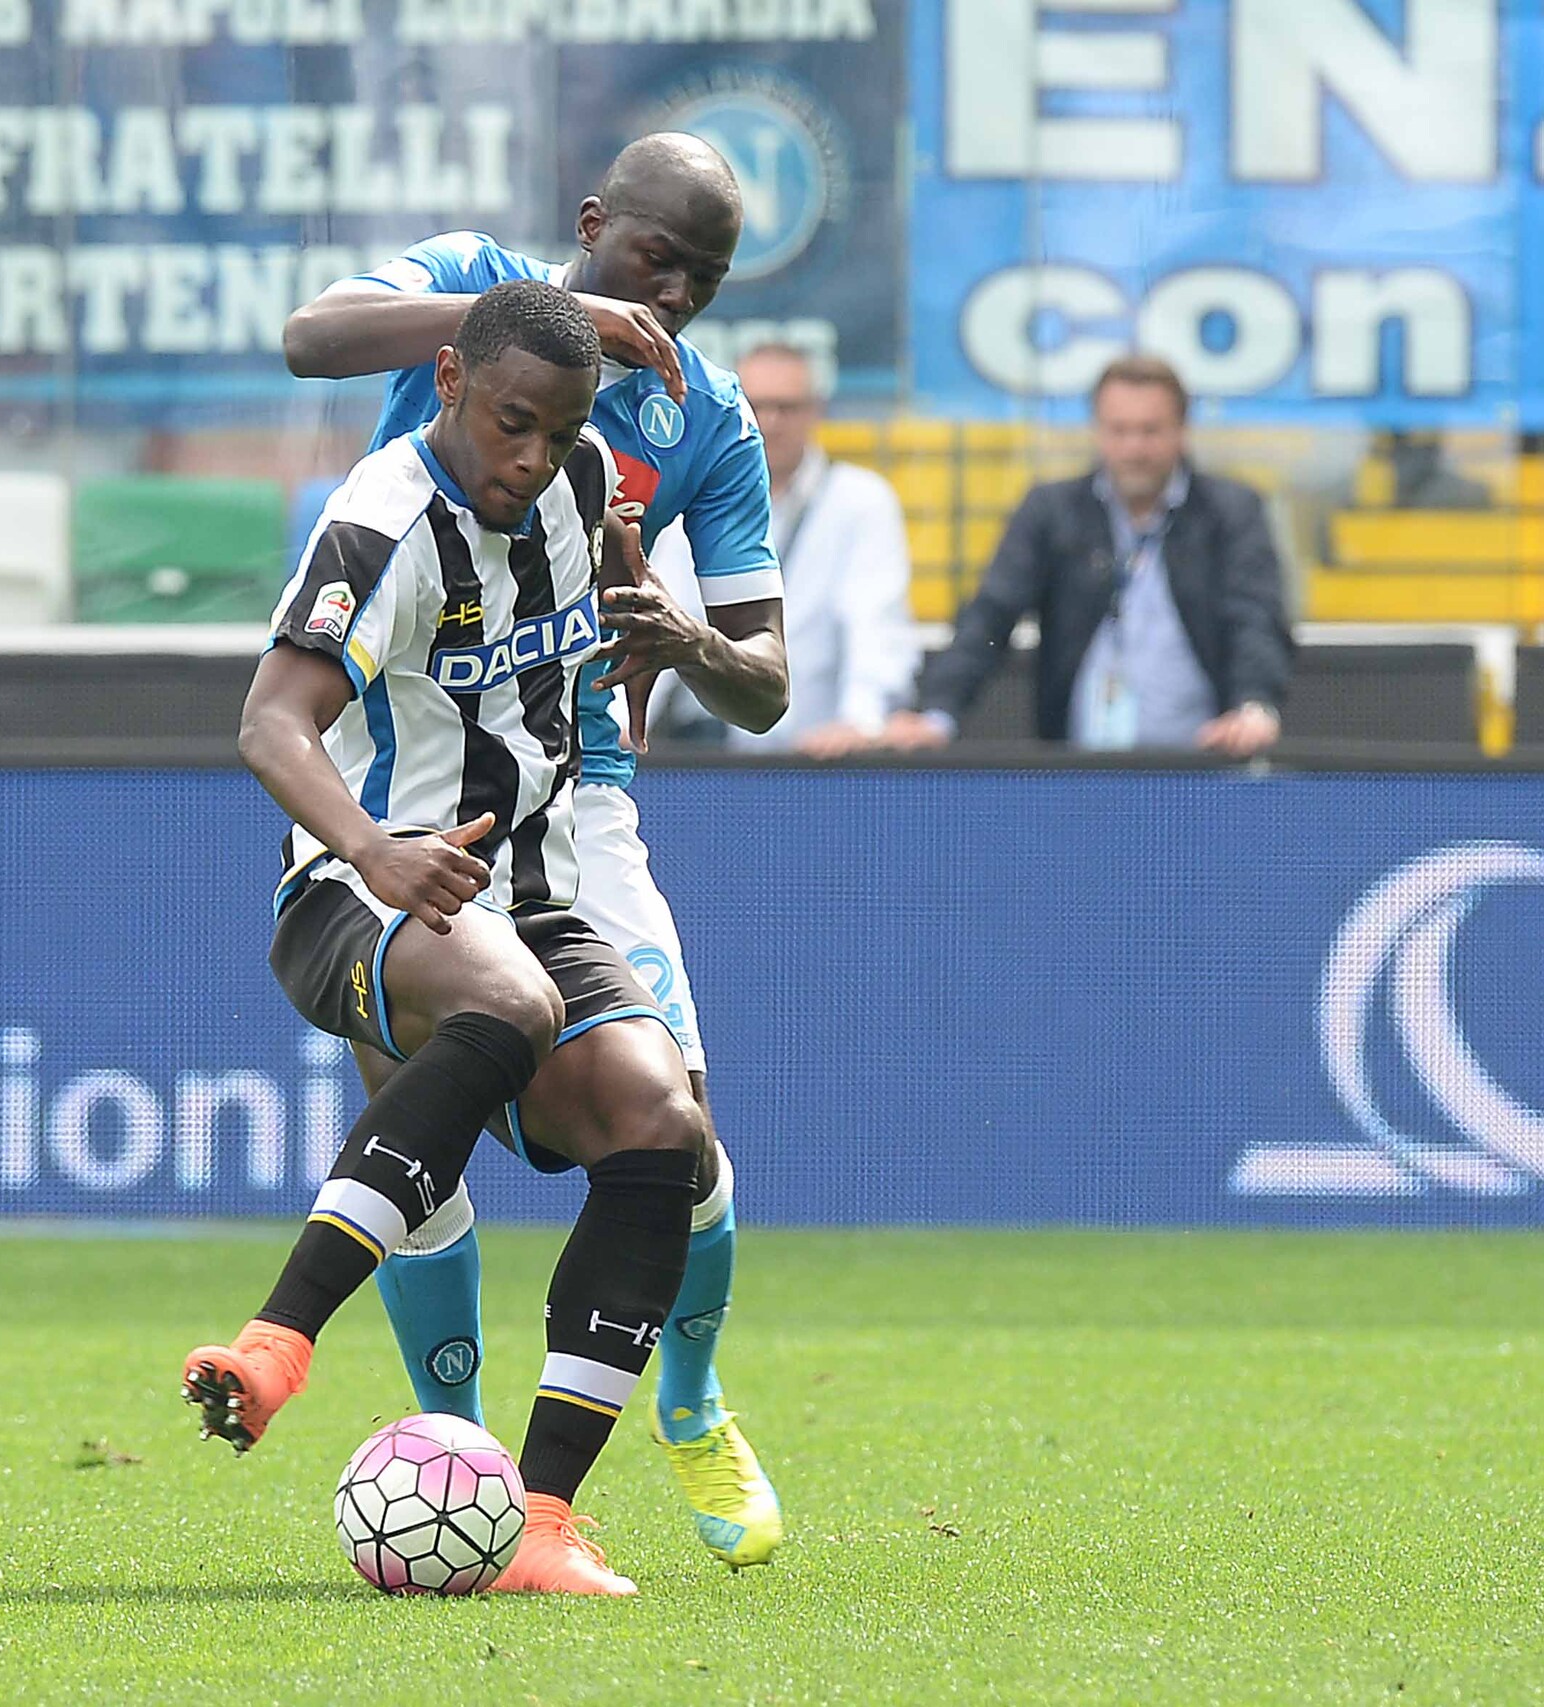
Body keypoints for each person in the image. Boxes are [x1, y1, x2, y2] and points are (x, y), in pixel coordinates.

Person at [279, 134, 788, 1568]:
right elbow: (312, 338)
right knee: (419, 1108)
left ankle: (689, 1395)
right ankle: (470, 1461)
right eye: (656, 260)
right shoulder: (471, 285)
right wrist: (550, 321)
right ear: (593, 222)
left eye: (703, 279)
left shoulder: (707, 418)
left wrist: (685, 639)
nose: (673, 295)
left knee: (675, 1130)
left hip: (578, 797)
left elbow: (766, 681)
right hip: (398, 772)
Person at [184, 281, 723, 1597]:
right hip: (359, 888)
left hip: (535, 895)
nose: (530, 456)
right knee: (508, 1000)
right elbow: (270, 723)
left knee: (665, 1128)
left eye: (558, 431)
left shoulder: (581, 484)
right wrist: (374, 848)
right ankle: (278, 1341)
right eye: (508, 422)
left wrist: (640, 611)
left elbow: (590, 635)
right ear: (447, 382)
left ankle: (539, 1521)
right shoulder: (381, 520)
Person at [884, 354, 1290, 756]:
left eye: (1150, 430)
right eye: (1119, 430)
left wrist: (1253, 705)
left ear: (1182, 429)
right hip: (1078, 769)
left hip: (1202, 768)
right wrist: (937, 713)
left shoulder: (1230, 512)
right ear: (1097, 429)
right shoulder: (1052, 512)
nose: (1134, 447)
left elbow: (1254, 617)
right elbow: (992, 615)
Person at [648, 343, 917, 756]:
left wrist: (859, 722)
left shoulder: (860, 501)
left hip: (814, 755)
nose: (770, 423)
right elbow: (664, 609)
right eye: (757, 406)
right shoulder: (692, 494)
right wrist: (623, 725)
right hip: (701, 748)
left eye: (786, 408)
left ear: (816, 411)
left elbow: (875, 623)